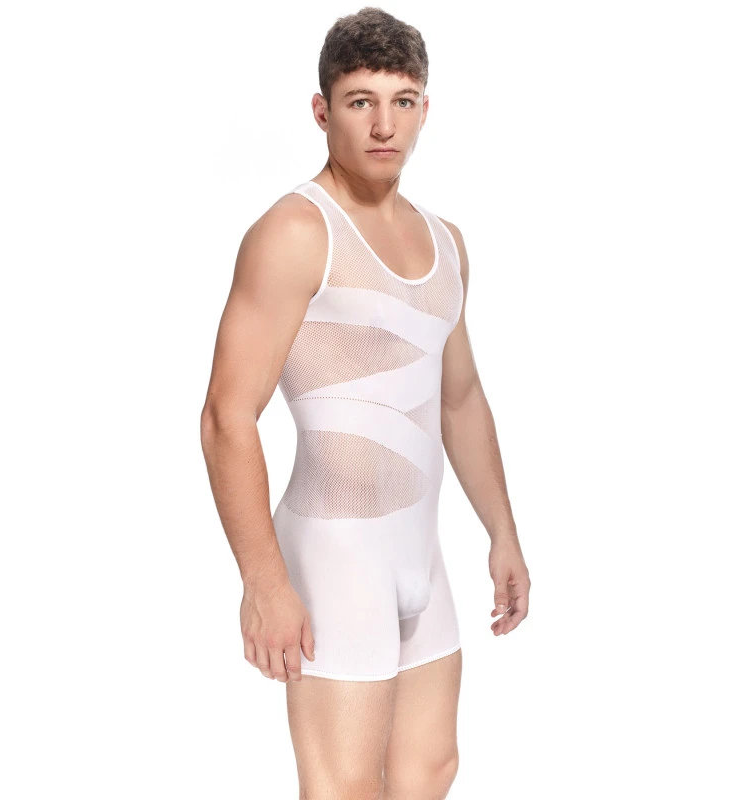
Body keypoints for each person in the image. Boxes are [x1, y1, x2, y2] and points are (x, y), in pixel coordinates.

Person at [200, 6, 530, 798]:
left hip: (419, 552)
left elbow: (460, 397)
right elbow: (225, 416)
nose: (385, 124)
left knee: (429, 771)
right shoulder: (296, 231)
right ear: (323, 111)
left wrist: (503, 531)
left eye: (402, 100)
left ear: (424, 108)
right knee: (344, 787)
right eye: (360, 101)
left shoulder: (446, 241)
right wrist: (263, 581)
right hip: (333, 554)